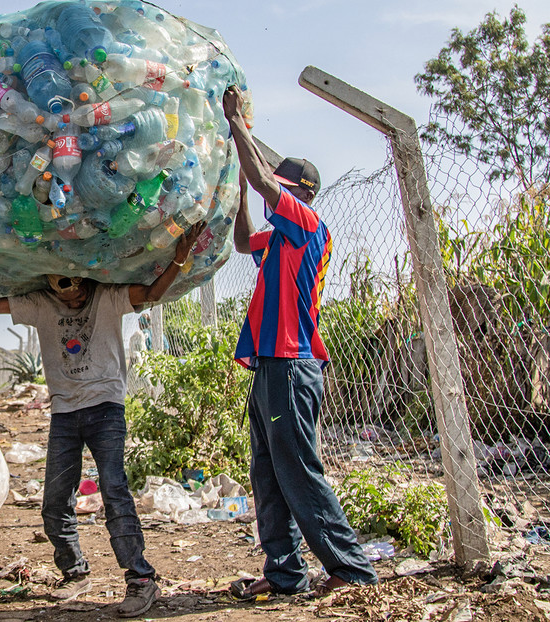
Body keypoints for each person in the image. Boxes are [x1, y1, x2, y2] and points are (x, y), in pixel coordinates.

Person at [0, 223, 205, 618]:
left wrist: (180, 255)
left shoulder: (108, 297)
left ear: (87, 281)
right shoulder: (40, 303)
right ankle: (74, 572)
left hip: (106, 408)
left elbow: (153, 293)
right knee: (55, 500)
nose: (72, 300)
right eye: (63, 292)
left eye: (76, 291)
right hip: (64, 413)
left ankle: (140, 580)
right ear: (52, 287)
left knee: (114, 490)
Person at [222, 85, 378, 599]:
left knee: (298, 468)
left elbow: (266, 179)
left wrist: (237, 126)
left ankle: (352, 568)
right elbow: (245, 241)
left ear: (303, 194)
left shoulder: (307, 224)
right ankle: (285, 575)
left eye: (285, 189)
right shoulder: (281, 236)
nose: (276, 194)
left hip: (293, 362)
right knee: (267, 473)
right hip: (271, 365)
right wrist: (242, 192)